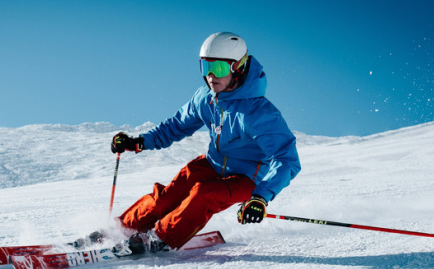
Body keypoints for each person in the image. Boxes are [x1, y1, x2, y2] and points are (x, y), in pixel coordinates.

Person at [110, 31, 301, 254]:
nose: (211, 76)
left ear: (237, 68)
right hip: (212, 163)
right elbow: (176, 126)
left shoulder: (258, 113)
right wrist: (139, 142)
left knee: (204, 193)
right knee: (168, 196)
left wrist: (261, 197)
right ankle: (121, 229)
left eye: (218, 68)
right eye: (205, 67)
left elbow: (286, 159)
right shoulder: (205, 98)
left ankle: (159, 239)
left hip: (248, 178)